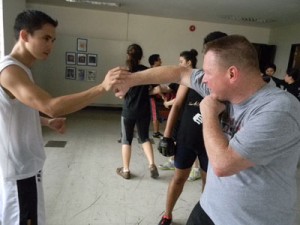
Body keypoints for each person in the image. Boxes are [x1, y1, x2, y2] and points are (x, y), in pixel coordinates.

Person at [111, 35, 300, 225]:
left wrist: (207, 111)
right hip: (211, 207)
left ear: (232, 74)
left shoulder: (279, 109)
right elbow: (180, 73)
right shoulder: (223, 88)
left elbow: (223, 165)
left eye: (208, 73)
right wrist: (131, 79)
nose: (204, 80)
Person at [0, 10, 115, 225]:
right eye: (45, 38)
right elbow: (51, 106)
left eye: (53, 40)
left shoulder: (22, 69)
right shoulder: (10, 71)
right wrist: (102, 87)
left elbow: (13, 112)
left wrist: (45, 122)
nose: (50, 45)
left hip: (25, 169)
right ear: (25, 36)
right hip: (20, 173)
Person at [158, 32, 227, 225]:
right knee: (179, 178)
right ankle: (167, 214)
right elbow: (177, 105)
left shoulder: (227, 82)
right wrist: (167, 135)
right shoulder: (193, 78)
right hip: (186, 138)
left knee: (208, 184)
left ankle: (205, 217)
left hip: (211, 143)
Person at [116, 43, 159, 180]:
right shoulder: (147, 71)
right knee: (144, 137)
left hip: (128, 111)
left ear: (128, 55)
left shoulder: (124, 72)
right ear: (141, 56)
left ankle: (126, 170)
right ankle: (152, 165)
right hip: (144, 110)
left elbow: (120, 94)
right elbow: (156, 89)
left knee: (126, 140)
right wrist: (146, 92)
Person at [148, 54, 164, 138]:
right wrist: (162, 95)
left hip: (152, 96)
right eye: (159, 59)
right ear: (155, 62)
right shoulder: (152, 72)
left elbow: (157, 86)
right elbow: (155, 88)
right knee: (155, 114)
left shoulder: (154, 71)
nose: (161, 61)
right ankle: (156, 132)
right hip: (150, 97)